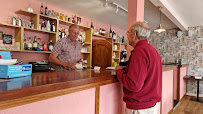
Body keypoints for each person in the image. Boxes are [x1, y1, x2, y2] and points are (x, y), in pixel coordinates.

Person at [115, 22, 162, 114]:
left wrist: (118, 71)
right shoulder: (153, 50)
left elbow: (134, 84)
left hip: (139, 108)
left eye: (128, 33)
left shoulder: (139, 51)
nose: (127, 36)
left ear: (134, 34)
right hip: (150, 105)